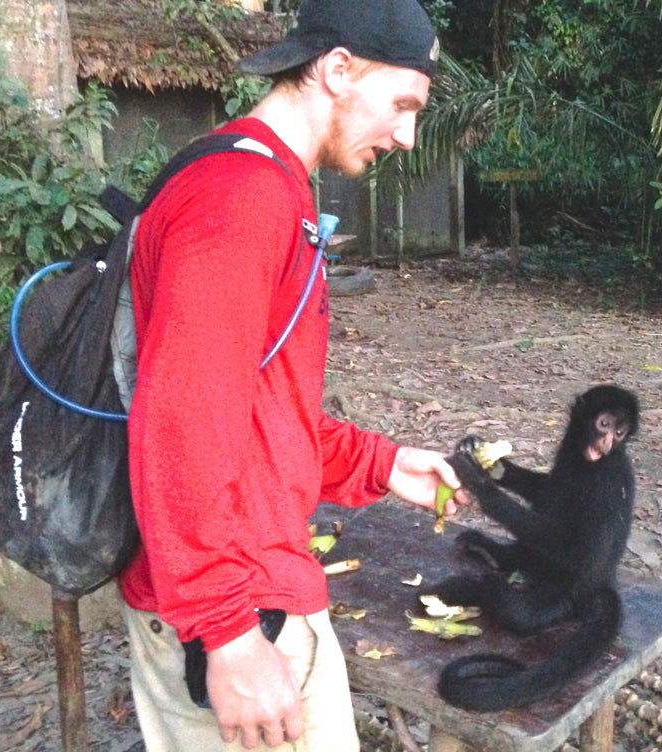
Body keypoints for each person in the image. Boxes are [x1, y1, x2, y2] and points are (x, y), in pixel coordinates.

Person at [118, 1, 465, 750]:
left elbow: (250, 408)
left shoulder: (264, 184)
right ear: (338, 70)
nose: (406, 136)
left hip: (250, 590)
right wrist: (229, 635)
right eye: (402, 105)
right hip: (243, 613)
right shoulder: (240, 201)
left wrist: (380, 462)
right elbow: (178, 423)